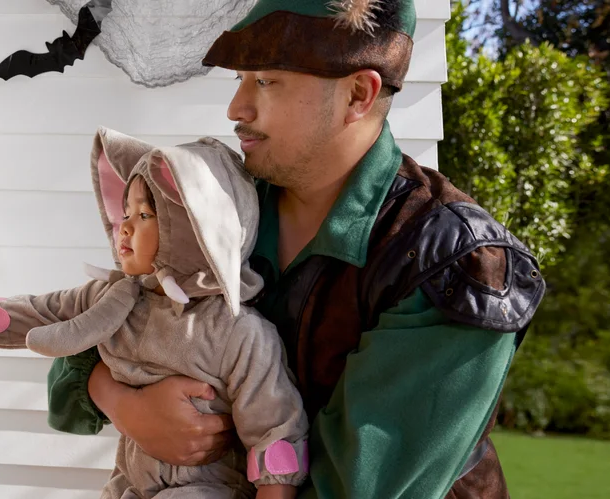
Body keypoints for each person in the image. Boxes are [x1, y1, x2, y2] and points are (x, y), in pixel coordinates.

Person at [43, 0, 547, 498]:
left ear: (358, 94)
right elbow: (84, 344)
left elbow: (356, 488)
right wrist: (124, 403)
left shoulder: (453, 262)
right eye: (239, 79)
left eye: (265, 80)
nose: (236, 108)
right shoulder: (223, 211)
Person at [0, 128, 311, 499]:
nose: (125, 225)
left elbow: (275, 439)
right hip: (130, 483)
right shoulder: (110, 297)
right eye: (125, 211)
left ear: (194, 226)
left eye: (146, 213)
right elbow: (23, 315)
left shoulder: (239, 334)